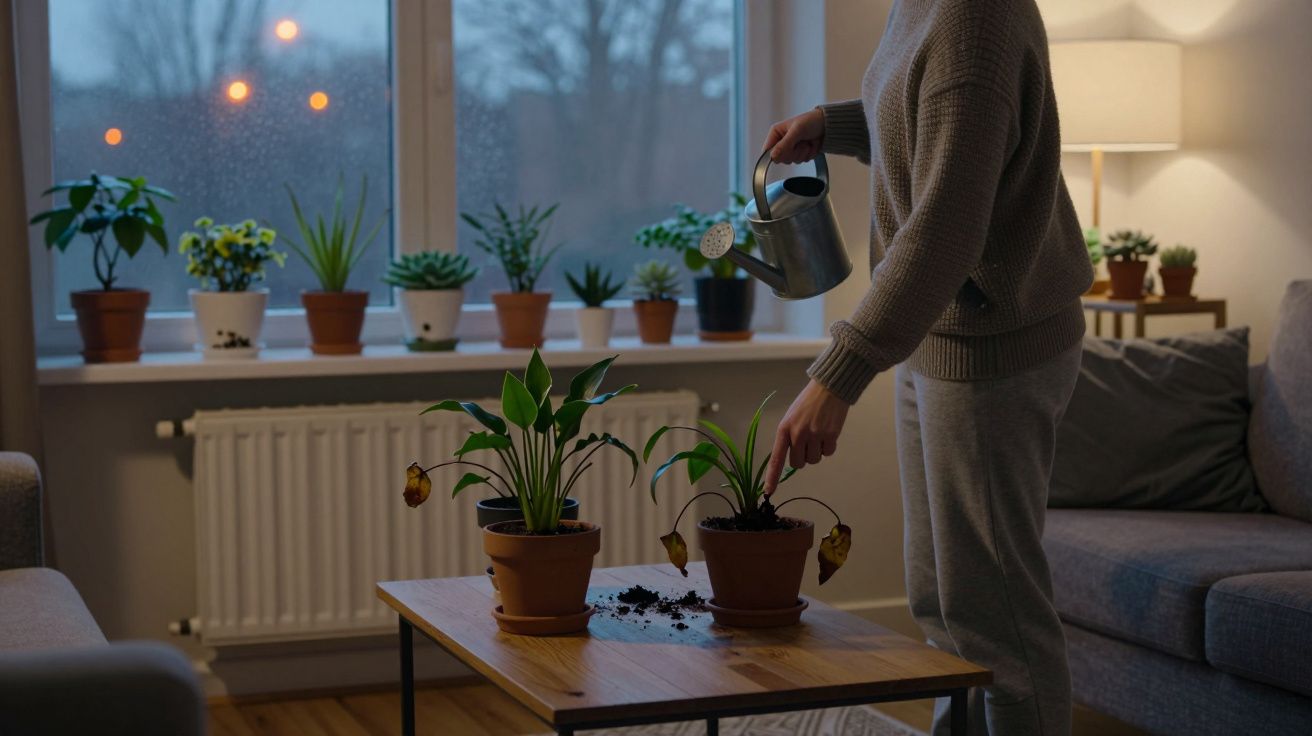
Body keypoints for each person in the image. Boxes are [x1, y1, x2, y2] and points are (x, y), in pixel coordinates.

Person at [760, 1, 1093, 734]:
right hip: (940, 339)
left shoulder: (976, 16)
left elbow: (946, 225)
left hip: (993, 349)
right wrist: (834, 122)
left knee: (997, 623)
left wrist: (837, 374)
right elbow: (935, 128)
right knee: (943, 607)